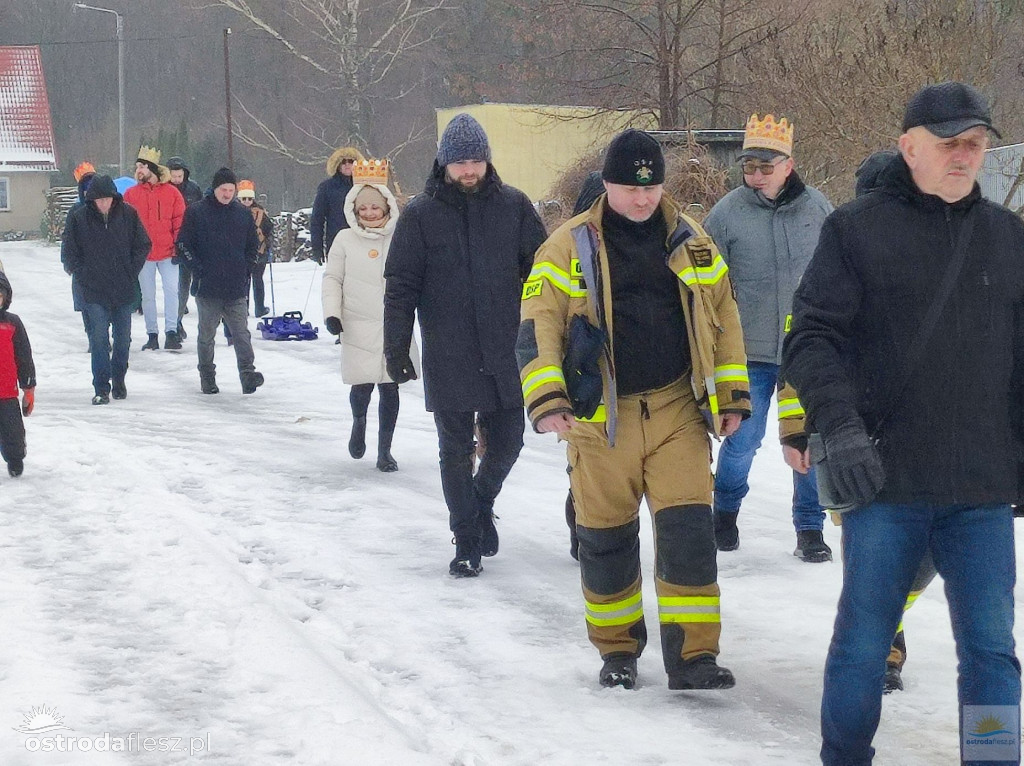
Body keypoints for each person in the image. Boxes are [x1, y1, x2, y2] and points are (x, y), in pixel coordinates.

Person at [781, 82, 1022, 765]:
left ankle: (994, 758)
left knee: (991, 651)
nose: (964, 155)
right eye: (949, 143)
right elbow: (811, 339)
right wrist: (842, 427)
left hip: (979, 492)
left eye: (975, 143)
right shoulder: (855, 232)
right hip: (884, 483)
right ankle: (846, 756)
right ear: (908, 146)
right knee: (863, 643)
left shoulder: (1009, 240)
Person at [518, 129, 750, 690]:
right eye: (629, 189)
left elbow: (724, 319)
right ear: (607, 185)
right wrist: (547, 399)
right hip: (601, 419)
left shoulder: (693, 240)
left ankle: (694, 658)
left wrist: (732, 396)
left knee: (689, 536)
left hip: (676, 408)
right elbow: (537, 327)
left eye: (652, 188)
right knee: (606, 540)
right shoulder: (566, 246)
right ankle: (617, 652)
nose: (643, 200)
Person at [384, 113, 546, 577]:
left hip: (506, 347)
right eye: (459, 163)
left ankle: (481, 501)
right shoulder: (419, 214)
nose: (469, 171)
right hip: (449, 348)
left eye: (476, 160)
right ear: (443, 163)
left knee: (509, 441)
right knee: (454, 449)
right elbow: (400, 286)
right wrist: (396, 347)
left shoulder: (514, 206)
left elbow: (541, 277)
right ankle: (466, 539)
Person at [703, 113, 834, 562]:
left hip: (807, 347)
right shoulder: (725, 214)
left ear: (788, 164)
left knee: (809, 439)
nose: (756, 176)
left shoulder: (818, 208)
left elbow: (840, 271)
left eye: (765, 166)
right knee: (742, 440)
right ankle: (724, 512)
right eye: (748, 167)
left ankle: (810, 529)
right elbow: (705, 284)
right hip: (750, 350)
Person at [323, 160, 419, 472]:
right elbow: (332, 279)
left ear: (386, 207)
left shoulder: (402, 237)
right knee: (362, 384)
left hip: (394, 325)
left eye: (374, 208)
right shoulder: (344, 240)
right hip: (357, 323)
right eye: (362, 209)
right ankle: (359, 422)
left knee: (390, 387)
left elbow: (416, 276)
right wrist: (332, 314)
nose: (369, 214)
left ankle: (385, 450)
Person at [61, 175, 152, 404]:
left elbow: (143, 244)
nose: (103, 204)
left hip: (123, 287)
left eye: (107, 199)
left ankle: (119, 378)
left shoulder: (128, 215)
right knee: (99, 339)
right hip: (93, 290)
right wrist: (80, 272)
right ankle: (101, 387)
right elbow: (68, 250)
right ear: (91, 199)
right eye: (99, 200)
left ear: (114, 198)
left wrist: (131, 270)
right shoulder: (79, 218)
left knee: (123, 339)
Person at [176, 167, 264, 396]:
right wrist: (197, 268)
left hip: (235, 287)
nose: (227, 194)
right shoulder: (197, 212)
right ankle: (207, 375)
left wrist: (247, 267)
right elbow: (183, 244)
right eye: (223, 190)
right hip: (208, 287)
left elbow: (253, 244)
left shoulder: (242, 214)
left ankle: (247, 373)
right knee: (206, 336)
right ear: (215, 189)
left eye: (231, 190)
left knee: (241, 333)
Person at [123, 146, 186, 351]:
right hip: (144, 254)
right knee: (147, 296)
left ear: (151, 168)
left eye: (142, 166)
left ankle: (171, 332)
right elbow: (126, 225)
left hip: (168, 252)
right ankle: (152, 334)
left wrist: (178, 246)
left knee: (171, 291)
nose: (138, 170)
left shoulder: (172, 193)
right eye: (137, 166)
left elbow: (179, 221)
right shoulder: (131, 195)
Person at [0, 272, 36, 477]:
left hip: (7, 393)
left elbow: (24, 356)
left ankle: (15, 459)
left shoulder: (12, 323)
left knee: (13, 433)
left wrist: (28, 388)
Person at [310, 146, 366, 265]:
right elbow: (317, 219)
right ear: (337, 165)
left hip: (362, 240)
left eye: (351, 161)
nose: (347, 165)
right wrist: (317, 247)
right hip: (336, 241)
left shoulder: (365, 185)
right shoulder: (327, 187)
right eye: (343, 162)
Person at [167, 156, 203, 340]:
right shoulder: (163, 189)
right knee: (173, 287)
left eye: (179, 176)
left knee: (183, 285)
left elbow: (201, 210)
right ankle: (174, 322)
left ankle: (177, 319)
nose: (176, 179)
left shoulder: (193, 189)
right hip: (168, 242)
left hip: (189, 241)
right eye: (173, 176)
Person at [63, 161, 97, 350]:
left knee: (102, 304)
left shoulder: (107, 208)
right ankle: (93, 337)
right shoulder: (76, 211)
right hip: (82, 265)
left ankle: (100, 335)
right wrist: (69, 262)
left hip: (102, 264)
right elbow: (68, 238)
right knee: (86, 304)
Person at [237, 180, 274, 318]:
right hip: (246, 252)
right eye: (244, 198)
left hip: (259, 250)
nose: (247, 201)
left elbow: (269, 229)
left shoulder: (259, 212)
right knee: (246, 281)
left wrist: (268, 242)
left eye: (249, 198)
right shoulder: (260, 211)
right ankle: (245, 308)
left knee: (256, 280)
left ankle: (258, 308)